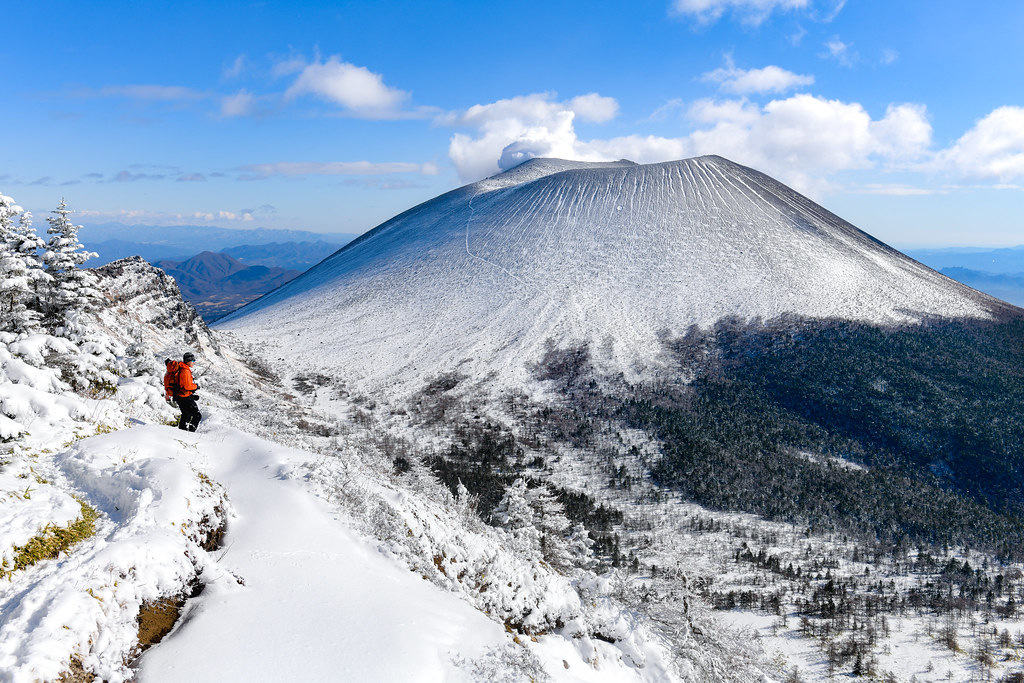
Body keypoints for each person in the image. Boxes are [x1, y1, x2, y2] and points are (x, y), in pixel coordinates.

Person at [173, 351, 202, 432]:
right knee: (197, 415)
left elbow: (183, 385)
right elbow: (187, 386)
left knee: (186, 415)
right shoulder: (185, 371)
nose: (194, 362)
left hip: (181, 396)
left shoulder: (182, 369)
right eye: (192, 360)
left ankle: (182, 432)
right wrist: (196, 386)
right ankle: (190, 433)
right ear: (188, 361)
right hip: (184, 397)